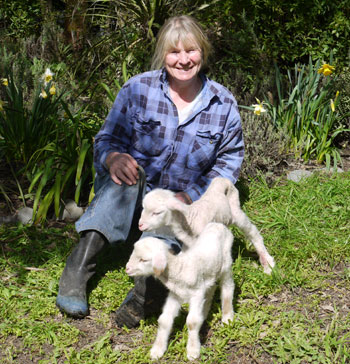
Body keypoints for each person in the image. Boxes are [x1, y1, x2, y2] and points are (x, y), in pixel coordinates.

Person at [56, 15, 244, 328]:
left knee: (172, 210)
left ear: (204, 53)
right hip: (130, 193)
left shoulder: (222, 104)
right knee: (129, 175)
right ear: (162, 54)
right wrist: (113, 158)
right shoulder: (138, 89)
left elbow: (228, 161)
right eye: (174, 52)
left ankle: (146, 293)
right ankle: (78, 267)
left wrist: (194, 196)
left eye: (192, 51)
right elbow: (107, 138)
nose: (183, 60)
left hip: (177, 199)